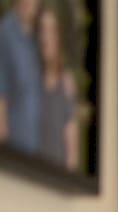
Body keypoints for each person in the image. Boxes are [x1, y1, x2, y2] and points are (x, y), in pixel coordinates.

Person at [0, 0, 42, 152]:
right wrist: (2, 151)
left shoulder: (35, 39)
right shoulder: (6, 32)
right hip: (14, 148)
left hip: (35, 152)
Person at [35, 4, 78, 169]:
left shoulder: (66, 82)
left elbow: (71, 144)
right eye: (42, 31)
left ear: (58, 38)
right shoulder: (30, 79)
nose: (46, 38)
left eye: (51, 32)